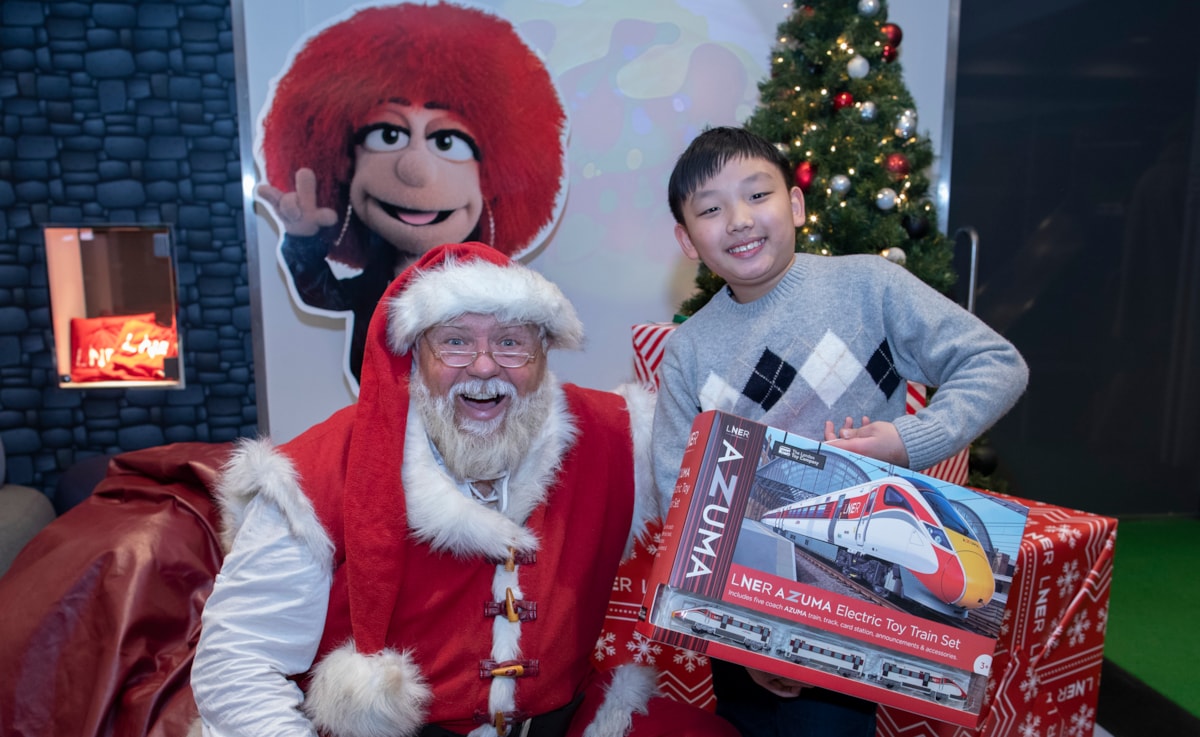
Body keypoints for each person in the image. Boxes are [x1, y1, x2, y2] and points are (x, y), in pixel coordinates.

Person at [191, 242, 739, 737]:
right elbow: (237, 660)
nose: (483, 367)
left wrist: (782, 648)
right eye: (454, 343)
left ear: (544, 353)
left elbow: (736, 506)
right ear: (416, 357)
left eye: (510, 343)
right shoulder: (315, 474)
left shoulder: (621, 438)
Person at [651, 127, 1029, 737]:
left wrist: (911, 440)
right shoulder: (689, 350)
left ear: (795, 205)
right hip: (742, 618)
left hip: (852, 611)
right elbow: (678, 488)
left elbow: (996, 364)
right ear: (686, 239)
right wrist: (745, 640)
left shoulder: (868, 287)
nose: (739, 220)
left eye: (757, 195)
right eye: (711, 209)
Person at [256, 2, 567, 387]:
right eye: (388, 135)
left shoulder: (494, 287)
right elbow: (322, 294)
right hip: (382, 421)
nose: (414, 169)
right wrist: (303, 239)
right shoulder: (374, 283)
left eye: (448, 140)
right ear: (343, 161)